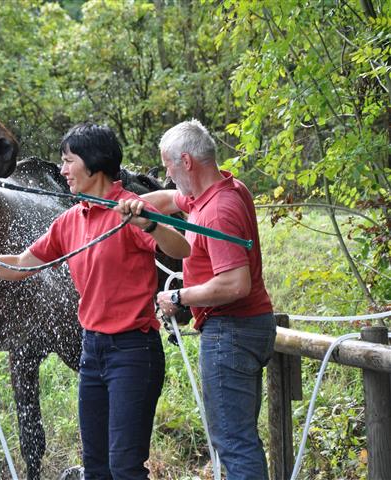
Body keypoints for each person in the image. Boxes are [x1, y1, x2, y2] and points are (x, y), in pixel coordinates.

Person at [0, 123, 190, 479]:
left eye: (68, 161)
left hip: (134, 354)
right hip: (93, 353)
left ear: (94, 165)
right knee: (96, 468)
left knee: (125, 467)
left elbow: (182, 250)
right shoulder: (69, 222)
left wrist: (149, 224)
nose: (62, 170)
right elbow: (18, 266)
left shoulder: (132, 211)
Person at [128, 119, 275, 480]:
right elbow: (166, 199)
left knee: (233, 441)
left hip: (232, 331)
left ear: (187, 162)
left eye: (168, 166)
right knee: (238, 437)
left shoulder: (219, 211)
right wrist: (123, 208)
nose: (167, 174)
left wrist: (179, 295)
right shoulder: (223, 189)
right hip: (247, 327)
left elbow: (235, 283)